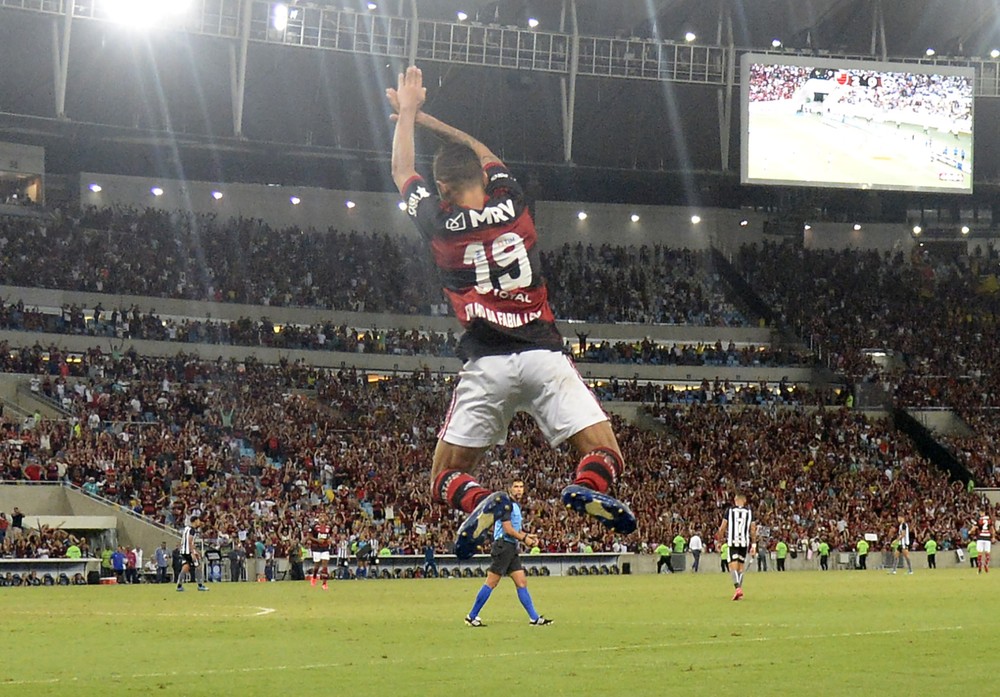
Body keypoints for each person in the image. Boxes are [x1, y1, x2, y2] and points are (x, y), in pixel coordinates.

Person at [387, 65, 636, 560]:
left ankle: (482, 501)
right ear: (484, 177)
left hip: (487, 364)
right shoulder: (515, 201)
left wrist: (407, 115)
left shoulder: (438, 222)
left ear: (441, 189)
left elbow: (400, 171)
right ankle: (585, 484)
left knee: (445, 476)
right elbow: (483, 150)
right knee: (605, 452)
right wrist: (426, 115)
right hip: (544, 355)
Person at [463, 478, 552, 627]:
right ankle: (471, 616)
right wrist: (524, 538)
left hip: (510, 547)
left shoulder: (514, 505)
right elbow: (508, 529)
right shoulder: (506, 504)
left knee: (521, 582)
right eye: (516, 487)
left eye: (521, 487)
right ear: (510, 488)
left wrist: (528, 536)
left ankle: (534, 618)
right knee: (491, 582)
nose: (519, 489)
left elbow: (514, 529)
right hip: (503, 546)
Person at [716, 493, 757, 601]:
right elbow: (753, 529)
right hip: (744, 543)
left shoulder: (729, 511)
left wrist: (719, 541)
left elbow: (722, 528)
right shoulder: (749, 512)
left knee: (732, 566)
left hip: (733, 542)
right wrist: (754, 545)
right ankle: (739, 591)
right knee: (741, 567)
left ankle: (738, 588)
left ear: (737, 500)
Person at [176, 514, 208, 592]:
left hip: (183, 551)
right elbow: (190, 541)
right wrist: (192, 553)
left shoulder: (186, 528)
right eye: (198, 521)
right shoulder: (192, 530)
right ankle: (200, 585)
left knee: (185, 567)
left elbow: (184, 540)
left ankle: (179, 586)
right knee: (198, 567)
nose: (199, 522)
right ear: (195, 521)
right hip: (188, 552)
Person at [308, 514, 334, 589]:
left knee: (325, 565)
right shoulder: (314, 527)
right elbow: (309, 536)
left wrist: (329, 540)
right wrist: (318, 541)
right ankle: (314, 577)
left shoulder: (329, 527)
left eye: (324, 516)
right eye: (321, 517)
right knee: (317, 565)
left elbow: (330, 536)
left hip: (325, 548)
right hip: (316, 548)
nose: (322, 518)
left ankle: (324, 583)